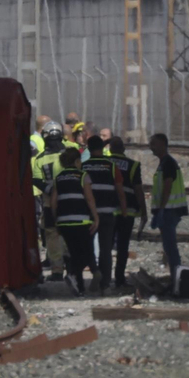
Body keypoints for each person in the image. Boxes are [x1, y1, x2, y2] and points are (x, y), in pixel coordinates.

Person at [47, 148, 98, 295]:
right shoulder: (83, 176)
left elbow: (53, 202)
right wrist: (95, 217)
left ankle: (79, 286)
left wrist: (57, 220)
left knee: (74, 253)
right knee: (85, 253)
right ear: (76, 161)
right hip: (81, 221)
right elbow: (89, 198)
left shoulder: (59, 178)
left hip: (64, 222)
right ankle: (73, 275)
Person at [81, 135, 126, 294]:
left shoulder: (83, 167)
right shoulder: (112, 166)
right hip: (108, 213)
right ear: (102, 148)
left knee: (86, 247)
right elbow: (120, 191)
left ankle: (95, 271)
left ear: (88, 148)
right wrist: (124, 210)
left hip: (88, 215)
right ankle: (105, 283)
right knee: (106, 248)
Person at [149, 133, 189, 278]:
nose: (151, 147)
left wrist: (160, 210)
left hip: (169, 211)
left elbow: (167, 186)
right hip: (168, 210)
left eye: (153, 144)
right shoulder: (164, 163)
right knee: (168, 246)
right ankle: (175, 277)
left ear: (162, 145)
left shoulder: (168, 163)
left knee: (170, 247)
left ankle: (176, 279)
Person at [108, 137, 146, 287]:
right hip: (128, 212)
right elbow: (138, 189)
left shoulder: (104, 163)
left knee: (106, 245)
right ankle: (119, 279)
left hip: (108, 210)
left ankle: (105, 277)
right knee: (123, 247)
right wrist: (143, 211)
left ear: (110, 149)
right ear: (123, 149)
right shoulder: (133, 165)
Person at [33, 123, 69, 275]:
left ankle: (57, 269)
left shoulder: (40, 159)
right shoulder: (71, 154)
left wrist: (50, 190)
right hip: (70, 201)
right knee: (69, 232)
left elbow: (36, 179)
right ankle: (72, 266)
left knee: (52, 234)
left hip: (48, 204)